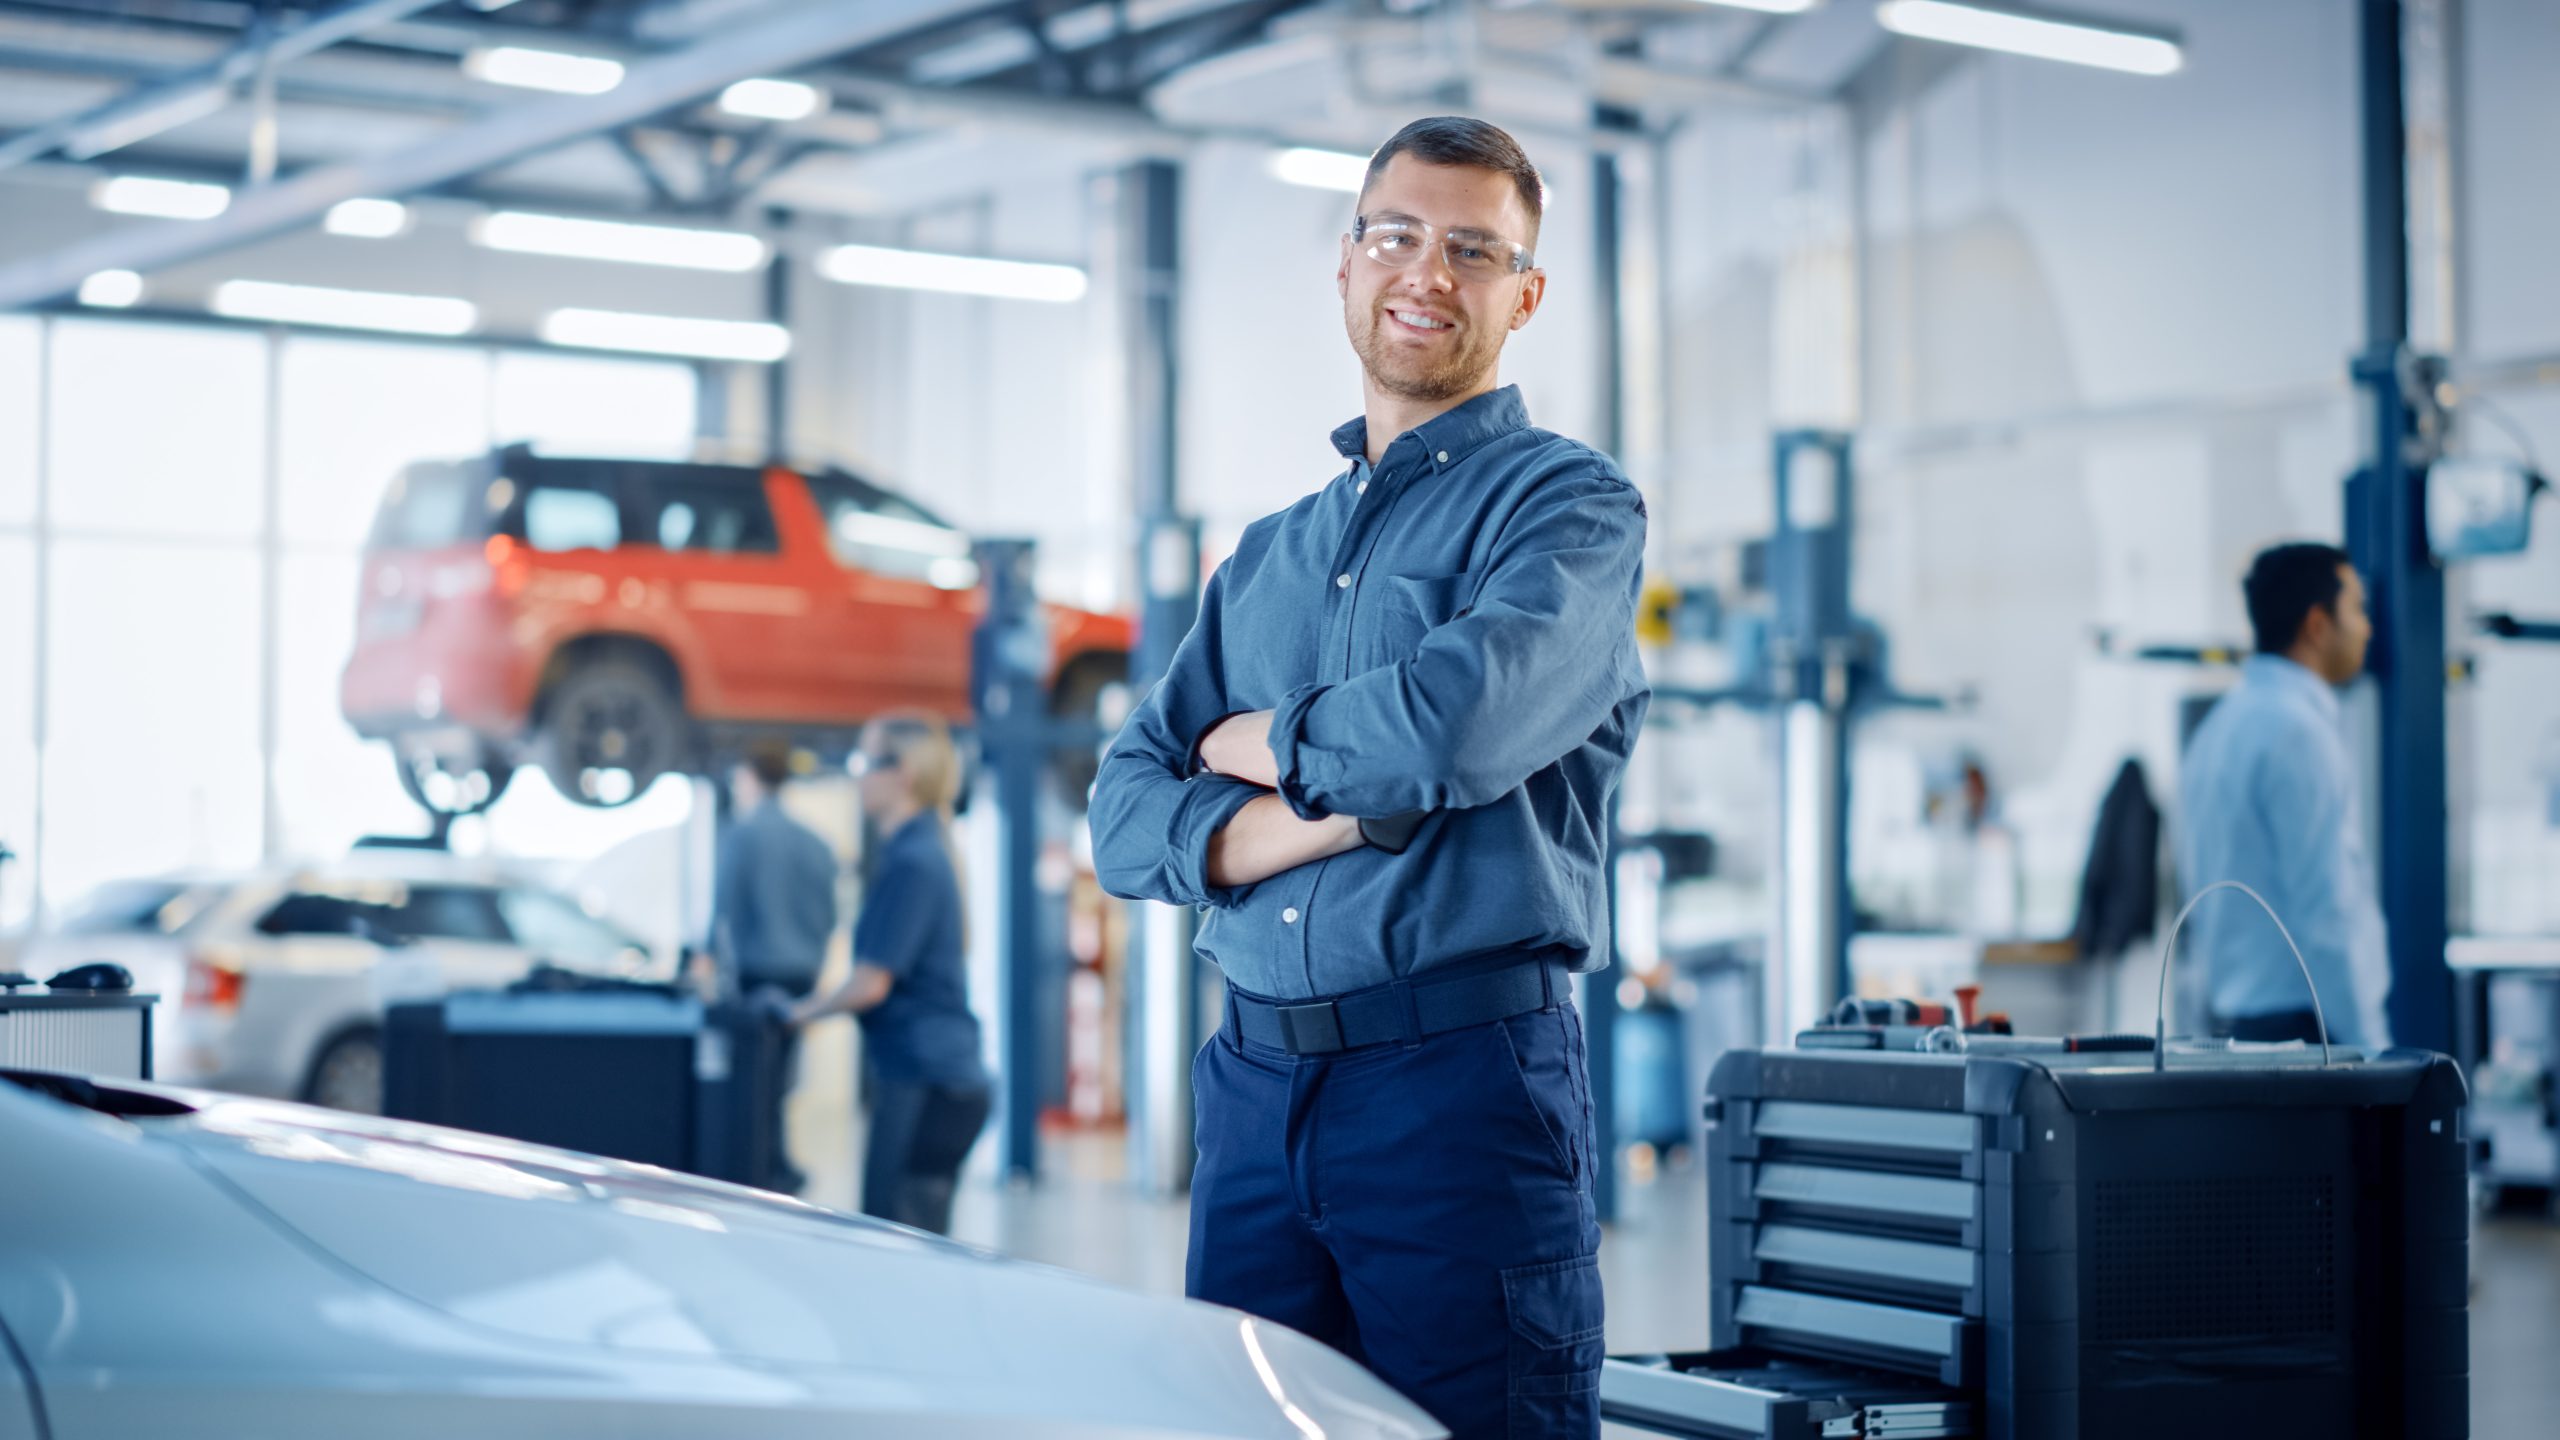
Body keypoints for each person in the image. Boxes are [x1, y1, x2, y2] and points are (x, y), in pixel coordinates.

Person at [1087, 116, 1649, 1438]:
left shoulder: (1566, 510)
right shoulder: (1269, 557)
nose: (1427, 273)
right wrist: (1341, 808)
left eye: (1473, 249)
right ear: (1346, 262)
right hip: (1250, 1089)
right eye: (1396, 236)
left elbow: (1455, 732)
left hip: (1456, 1086)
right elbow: (1121, 816)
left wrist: (1264, 747)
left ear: (1527, 292)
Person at [2178, 542, 2392, 1049]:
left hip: (2242, 1021)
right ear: (2317, 625)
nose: (2368, 628)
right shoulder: (2298, 734)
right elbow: (2325, 909)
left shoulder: (2221, 726)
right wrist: (2375, 1050)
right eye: (2357, 609)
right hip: (2306, 1029)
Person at [792, 711, 990, 1236]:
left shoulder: (912, 862)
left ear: (901, 772)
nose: (856, 775)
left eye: (863, 761)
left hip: (924, 1080)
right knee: (918, 1242)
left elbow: (870, 985)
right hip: (945, 1078)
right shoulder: (925, 849)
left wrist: (799, 1012)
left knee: (893, 1242)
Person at [705, 737, 838, 1193]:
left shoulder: (743, 835)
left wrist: (710, 963)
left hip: (757, 974)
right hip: (802, 974)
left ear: (750, 777)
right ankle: (778, 1164)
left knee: (754, 1080)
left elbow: (724, 909)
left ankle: (759, 1167)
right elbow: (829, 918)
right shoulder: (816, 844)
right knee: (781, 1079)